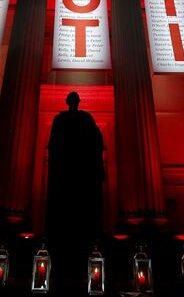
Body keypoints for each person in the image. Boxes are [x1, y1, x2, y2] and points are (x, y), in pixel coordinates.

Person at [45, 91, 105, 288]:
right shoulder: (67, 119)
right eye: (73, 101)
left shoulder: (78, 119)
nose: (74, 103)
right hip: (68, 175)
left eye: (74, 101)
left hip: (79, 175)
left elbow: (97, 142)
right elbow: (53, 146)